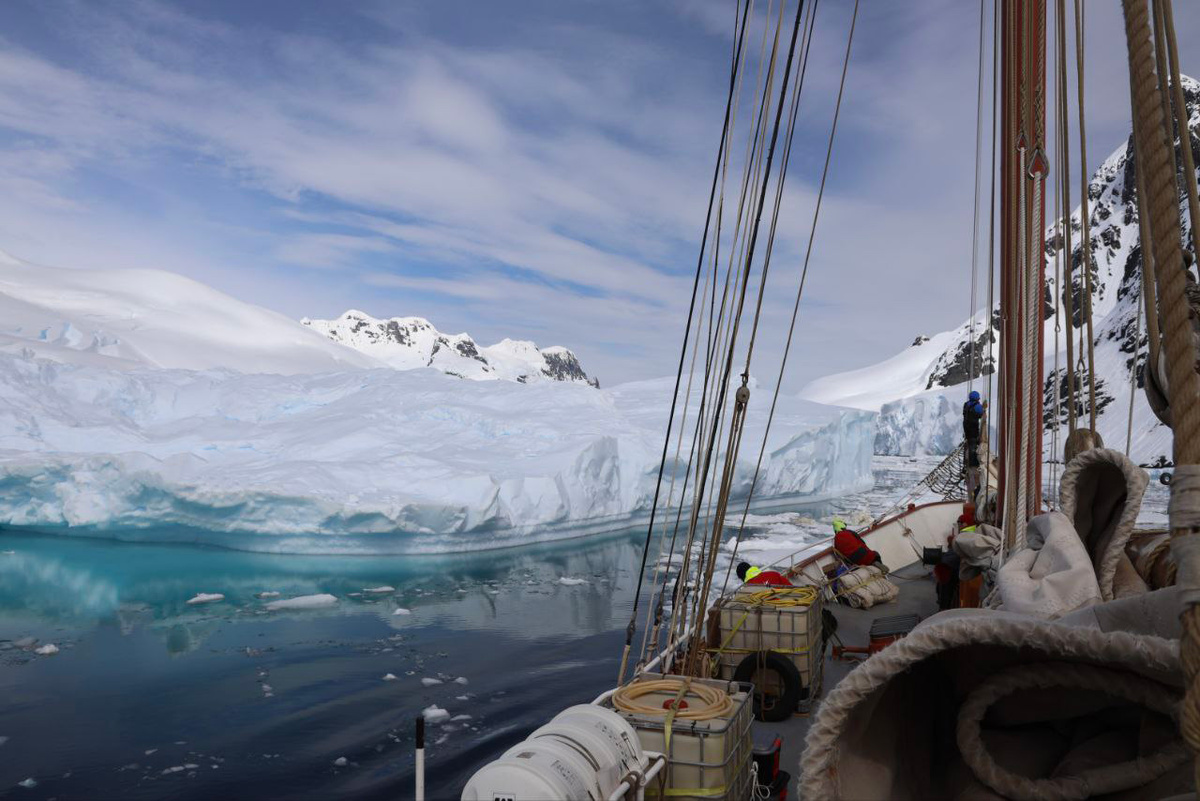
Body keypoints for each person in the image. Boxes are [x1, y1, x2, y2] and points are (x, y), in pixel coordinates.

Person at [963, 391, 986, 468]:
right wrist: (984, 408)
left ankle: (967, 461)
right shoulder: (977, 406)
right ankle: (973, 463)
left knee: (969, 442)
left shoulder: (966, 404)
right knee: (973, 444)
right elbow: (981, 413)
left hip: (966, 426)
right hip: (973, 426)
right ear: (977, 398)